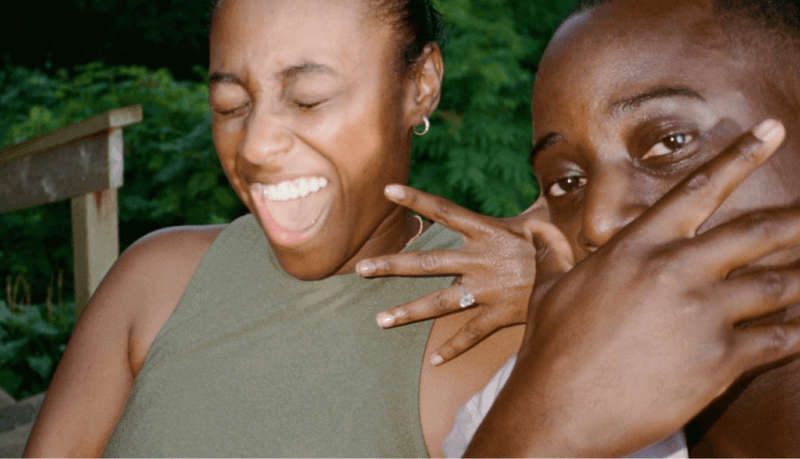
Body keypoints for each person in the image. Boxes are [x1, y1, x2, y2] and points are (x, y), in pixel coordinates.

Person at [362, 0, 800, 456]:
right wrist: (543, 431)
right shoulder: (521, 407)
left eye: (671, 142)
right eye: (567, 182)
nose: (598, 221)